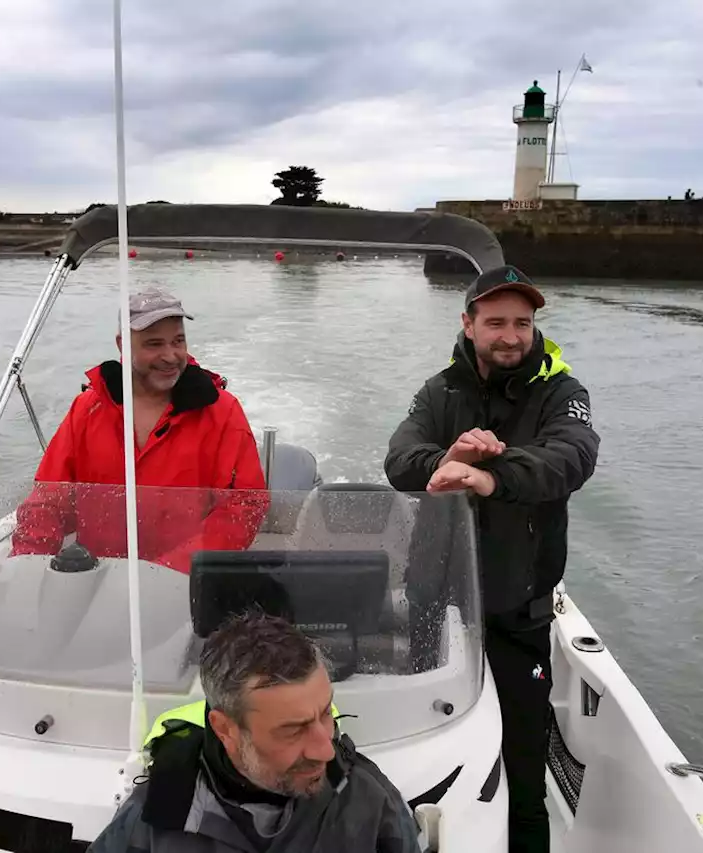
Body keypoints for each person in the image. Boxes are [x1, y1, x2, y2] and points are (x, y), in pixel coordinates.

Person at [383, 265, 600, 853]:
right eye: (497, 321)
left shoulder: (563, 392)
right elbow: (400, 458)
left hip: (516, 608)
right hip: (434, 596)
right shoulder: (439, 390)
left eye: (523, 323)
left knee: (525, 765)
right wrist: (443, 460)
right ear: (468, 323)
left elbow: (572, 460)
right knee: (422, 743)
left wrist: (486, 476)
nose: (511, 335)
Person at [86, 609, 423, 853]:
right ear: (225, 730)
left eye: (325, 713)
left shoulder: (366, 798)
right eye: (293, 730)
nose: (325, 750)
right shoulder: (159, 812)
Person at [9, 285, 268, 573]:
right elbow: (49, 500)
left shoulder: (223, 411)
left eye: (178, 341)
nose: (170, 356)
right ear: (123, 345)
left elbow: (245, 506)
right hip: (98, 580)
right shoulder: (87, 409)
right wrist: (25, 565)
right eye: (154, 344)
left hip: (188, 582)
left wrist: (171, 570)